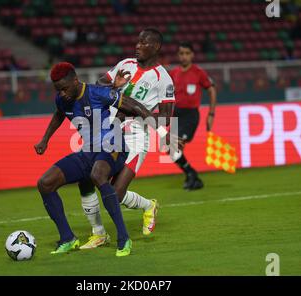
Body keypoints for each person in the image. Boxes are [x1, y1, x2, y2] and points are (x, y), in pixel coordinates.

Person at [34, 62, 170, 256]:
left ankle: (123, 239)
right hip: (89, 151)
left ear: (75, 80)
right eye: (58, 90)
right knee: (45, 183)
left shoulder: (98, 93)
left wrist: (164, 132)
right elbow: (59, 115)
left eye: (64, 89)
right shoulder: (62, 99)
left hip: (114, 144)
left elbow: (136, 106)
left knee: (97, 175)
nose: (62, 94)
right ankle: (68, 238)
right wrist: (45, 139)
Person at [70, 28, 176, 249]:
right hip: (109, 132)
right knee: (93, 178)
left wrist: (135, 110)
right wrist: (113, 86)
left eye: (143, 42)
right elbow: (99, 86)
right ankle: (99, 233)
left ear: (155, 47)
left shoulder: (163, 79)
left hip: (136, 138)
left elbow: (166, 118)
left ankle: (148, 206)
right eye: (137, 42)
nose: (137, 46)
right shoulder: (125, 64)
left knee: (115, 195)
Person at [169, 42, 217, 190]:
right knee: (169, 149)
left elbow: (211, 90)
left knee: (175, 146)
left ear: (192, 55)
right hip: (176, 114)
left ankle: (192, 175)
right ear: (178, 55)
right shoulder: (173, 73)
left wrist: (211, 114)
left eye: (187, 53)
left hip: (190, 116)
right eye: (181, 53)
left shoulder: (198, 72)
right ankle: (192, 175)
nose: (184, 56)